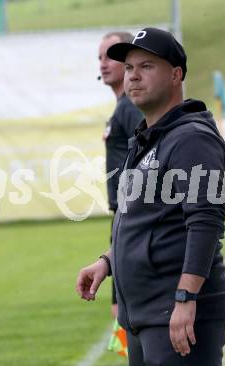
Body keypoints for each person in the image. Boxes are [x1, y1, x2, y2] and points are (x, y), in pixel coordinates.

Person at [77, 27, 225, 365]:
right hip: (145, 313)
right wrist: (107, 262)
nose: (133, 76)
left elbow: (206, 220)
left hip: (177, 309)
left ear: (176, 75)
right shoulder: (146, 139)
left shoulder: (192, 138)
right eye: (130, 68)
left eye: (146, 67)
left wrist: (186, 297)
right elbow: (141, 220)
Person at [98, 31, 143, 319]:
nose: (103, 63)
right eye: (99, 57)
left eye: (110, 56)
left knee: (126, 312)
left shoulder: (130, 108)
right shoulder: (121, 108)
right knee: (123, 312)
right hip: (122, 212)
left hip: (133, 212)